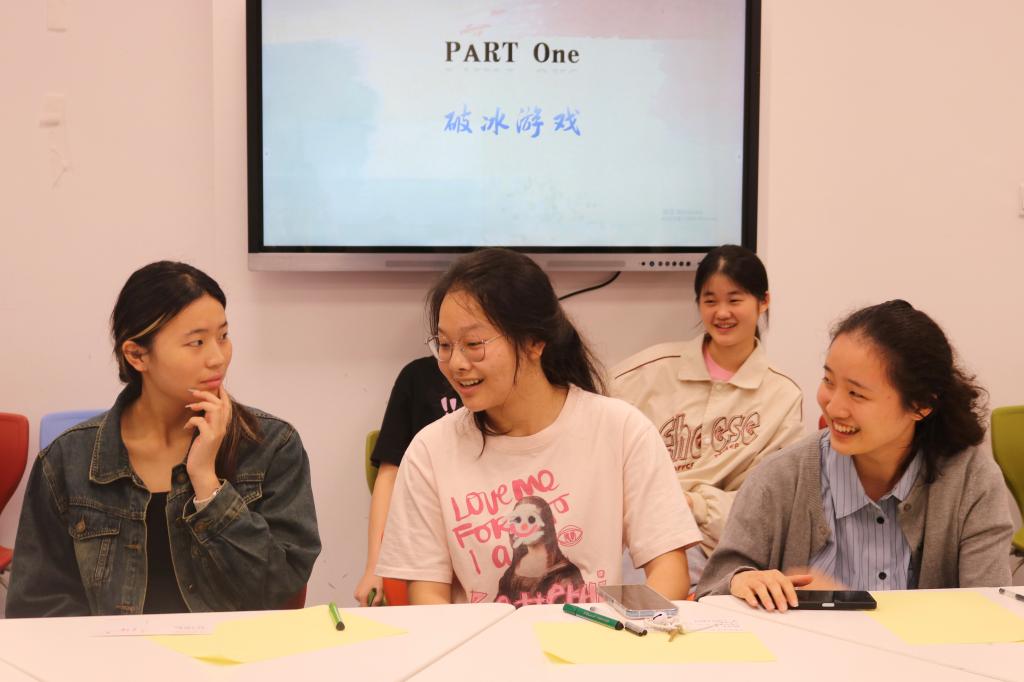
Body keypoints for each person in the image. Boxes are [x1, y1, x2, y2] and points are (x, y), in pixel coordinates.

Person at [376, 248, 700, 606]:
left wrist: (623, 632)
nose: (455, 363)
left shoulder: (621, 430)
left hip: (598, 638)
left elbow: (669, 570)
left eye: (473, 344)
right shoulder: (430, 451)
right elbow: (427, 595)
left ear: (534, 342)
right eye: (445, 345)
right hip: (482, 642)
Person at [6, 261, 321, 617]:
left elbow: (280, 589)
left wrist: (208, 486)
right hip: (111, 653)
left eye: (223, 336)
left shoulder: (272, 445)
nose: (218, 358)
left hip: (230, 651)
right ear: (137, 355)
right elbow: (38, 606)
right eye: (196, 342)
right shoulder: (66, 459)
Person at [697, 300, 1013, 610]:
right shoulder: (780, 478)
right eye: (828, 381)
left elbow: (991, 616)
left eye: (856, 394)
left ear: (920, 405)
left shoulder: (972, 481)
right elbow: (711, 594)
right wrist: (741, 581)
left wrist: (857, 608)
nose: (833, 407)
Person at [611, 244, 803, 582]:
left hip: (720, 547)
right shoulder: (648, 372)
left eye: (735, 299)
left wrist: (695, 505)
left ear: (763, 302)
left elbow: (773, 504)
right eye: (710, 301)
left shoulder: (782, 396)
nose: (722, 313)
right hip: (643, 531)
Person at [354, 356, 461, 606]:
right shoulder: (417, 376)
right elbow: (390, 474)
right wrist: (374, 567)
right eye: (443, 344)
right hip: (424, 541)